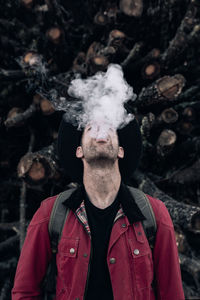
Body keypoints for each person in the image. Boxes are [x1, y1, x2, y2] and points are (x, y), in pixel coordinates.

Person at [12, 117, 185, 300]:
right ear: (79, 151)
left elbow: (172, 293)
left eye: (109, 128)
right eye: (91, 129)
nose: (100, 133)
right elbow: (24, 292)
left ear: (120, 150)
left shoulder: (155, 213)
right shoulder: (50, 213)